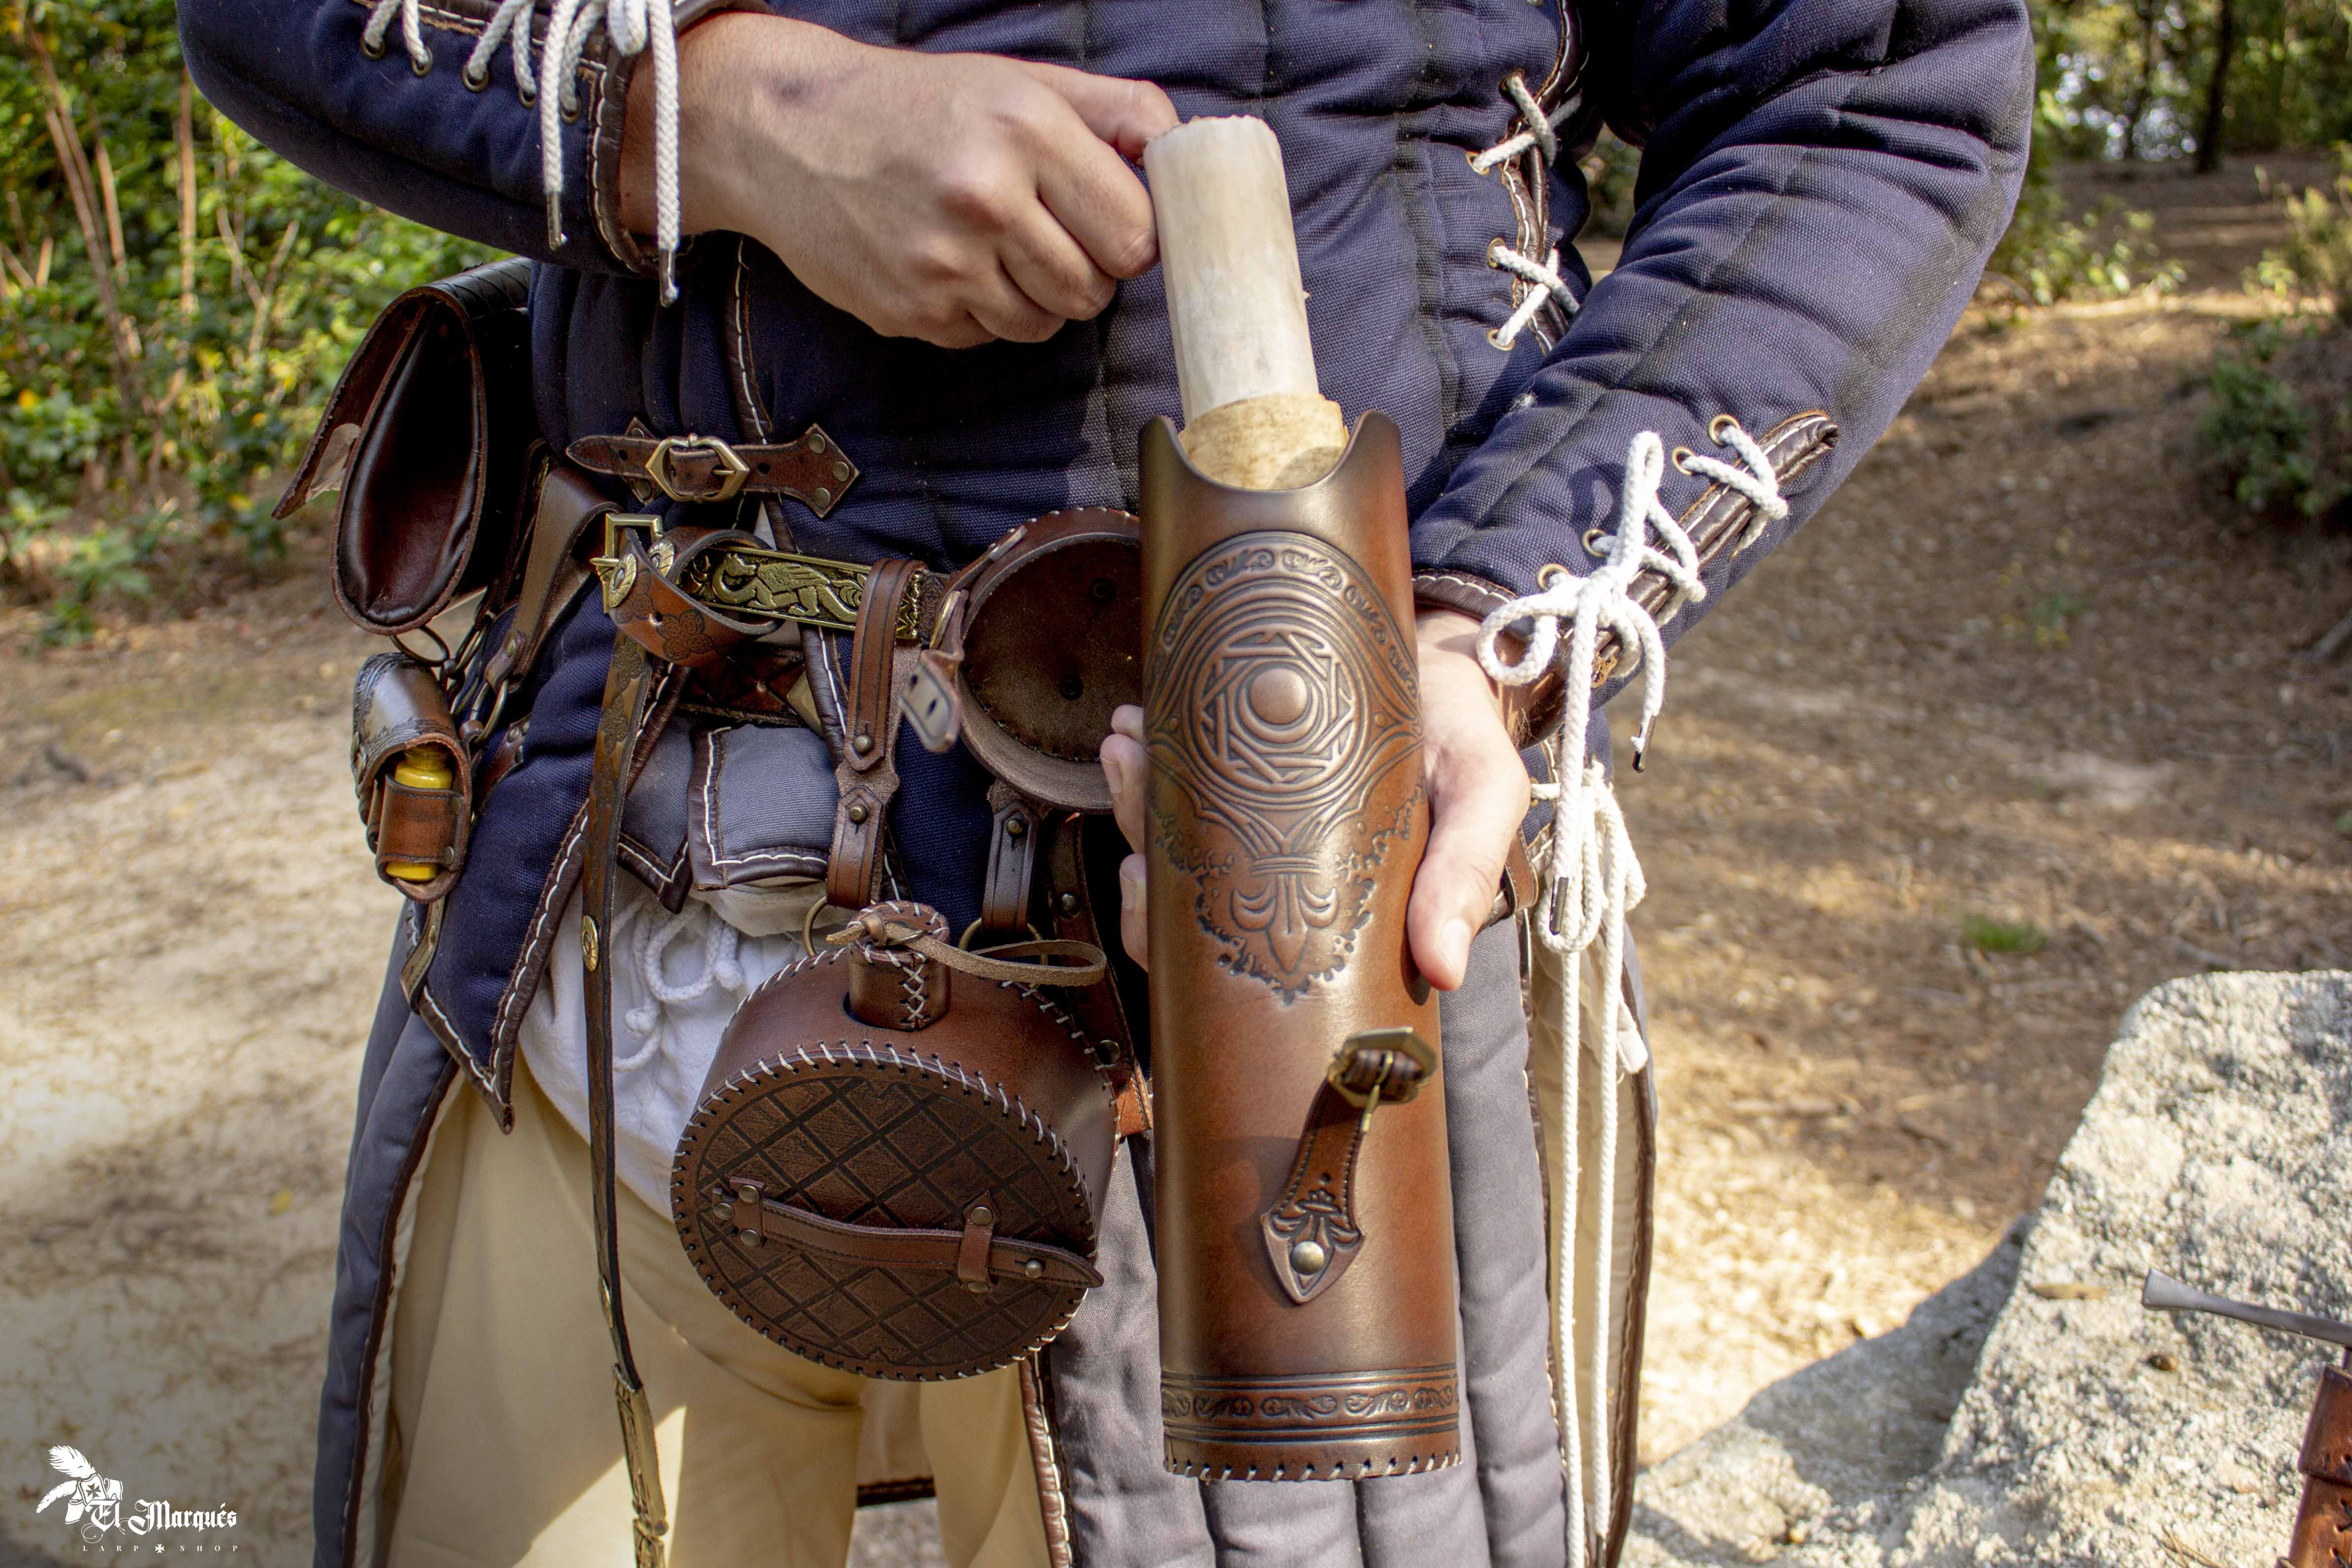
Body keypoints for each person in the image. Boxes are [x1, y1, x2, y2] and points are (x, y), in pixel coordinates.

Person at [177, 0, 2032, 1564]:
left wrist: (1485, 627)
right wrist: (717, 113)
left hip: (1289, 952)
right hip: (603, 884)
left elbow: (1867, 90)